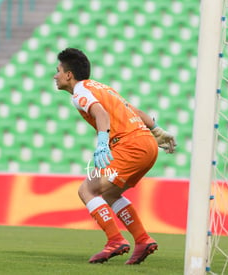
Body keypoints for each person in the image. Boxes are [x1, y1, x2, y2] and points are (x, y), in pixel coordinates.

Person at [53, 48, 176, 264]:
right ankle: (142, 239)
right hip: (147, 144)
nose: (55, 75)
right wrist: (157, 131)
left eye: (58, 71)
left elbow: (100, 113)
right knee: (110, 194)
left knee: (87, 190)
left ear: (69, 75)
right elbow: (132, 110)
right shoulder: (102, 88)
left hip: (130, 146)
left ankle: (115, 240)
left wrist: (102, 143)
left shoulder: (80, 92)